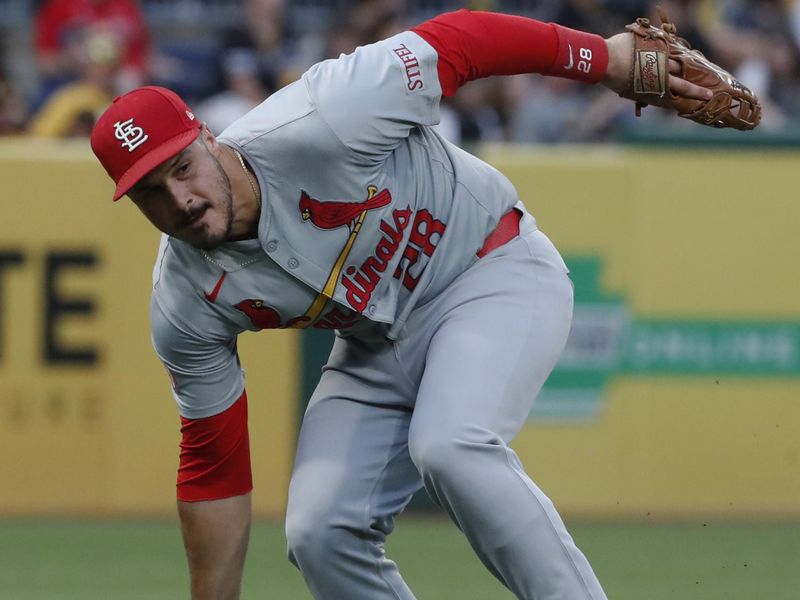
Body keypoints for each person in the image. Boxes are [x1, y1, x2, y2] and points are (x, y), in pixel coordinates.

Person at [90, 9, 712, 600]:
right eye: (150, 192)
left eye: (181, 168)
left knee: (451, 445)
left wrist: (602, 57)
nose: (180, 200)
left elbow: (461, 41)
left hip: (488, 269)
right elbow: (213, 466)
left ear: (205, 135)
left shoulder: (324, 114)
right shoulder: (183, 300)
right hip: (376, 346)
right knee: (320, 532)